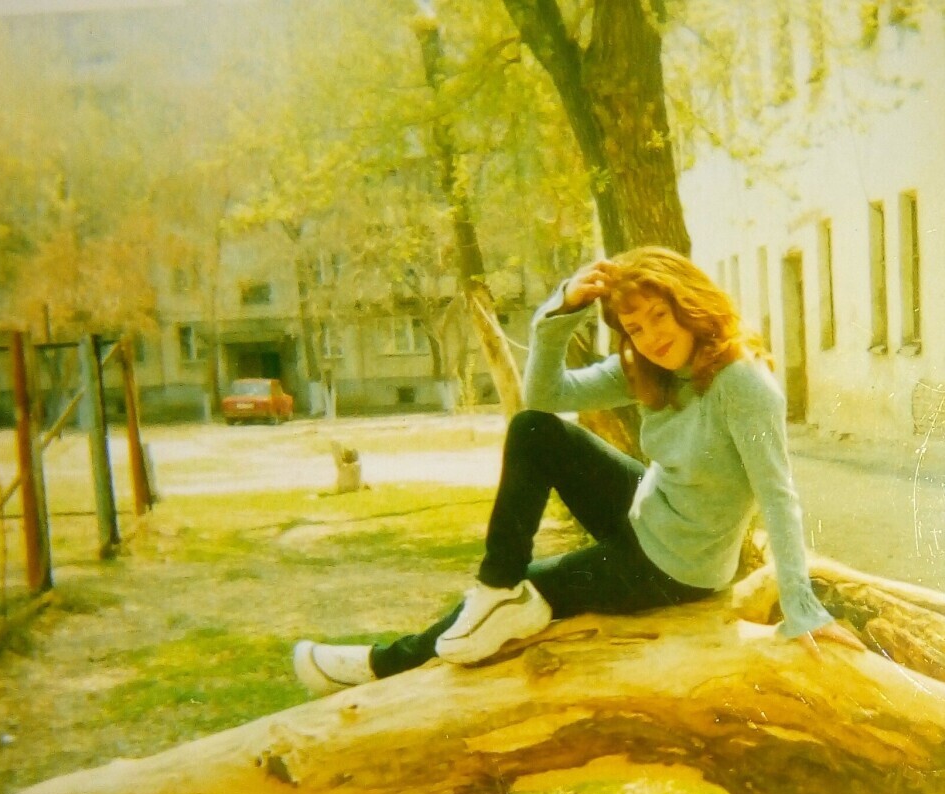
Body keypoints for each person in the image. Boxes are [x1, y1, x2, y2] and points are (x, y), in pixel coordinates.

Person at [292, 246, 863, 696]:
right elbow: (543, 397)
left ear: (690, 304)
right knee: (534, 432)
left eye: (659, 316)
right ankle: (494, 590)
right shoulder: (652, 368)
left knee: (529, 588)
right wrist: (561, 311)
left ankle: (381, 665)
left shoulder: (742, 383)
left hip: (674, 567)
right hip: (645, 512)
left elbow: (778, 495)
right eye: (635, 328)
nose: (651, 337)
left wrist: (801, 606)